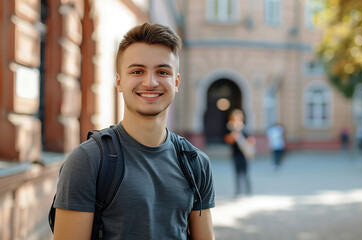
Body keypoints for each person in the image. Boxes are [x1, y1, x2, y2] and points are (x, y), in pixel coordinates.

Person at [52, 23, 215, 239]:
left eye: (162, 71)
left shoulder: (195, 163)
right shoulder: (87, 161)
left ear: (176, 82)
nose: (150, 82)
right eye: (137, 71)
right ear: (119, 81)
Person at [224, 109, 255, 197]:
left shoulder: (244, 127)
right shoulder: (230, 128)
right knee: (237, 173)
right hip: (235, 153)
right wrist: (234, 134)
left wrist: (247, 141)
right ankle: (238, 191)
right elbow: (228, 140)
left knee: (246, 173)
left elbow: (251, 140)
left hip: (245, 154)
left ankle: (249, 191)